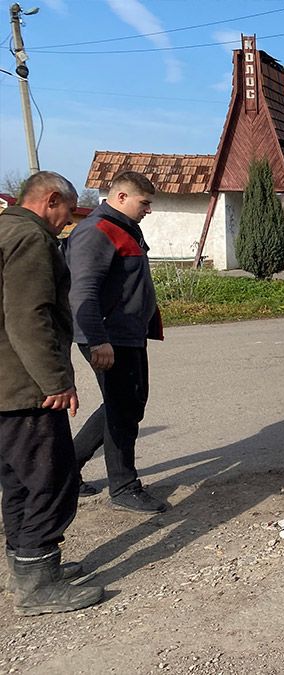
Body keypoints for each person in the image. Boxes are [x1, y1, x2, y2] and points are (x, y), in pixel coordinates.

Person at [0, 171, 106, 615]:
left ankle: (26, 567)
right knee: (53, 478)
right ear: (49, 201)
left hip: (6, 385)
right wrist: (56, 381)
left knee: (18, 480)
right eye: (66, 211)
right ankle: (37, 585)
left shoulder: (5, 229)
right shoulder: (32, 240)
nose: (67, 222)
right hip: (25, 388)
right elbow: (29, 316)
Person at [64, 171, 167, 513]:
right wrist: (97, 340)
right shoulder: (96, 232)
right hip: (107, 337)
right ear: (121, 197)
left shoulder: (124, 228)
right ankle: (123, 486)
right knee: (123, 409)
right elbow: (83, 292)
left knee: (126, 404)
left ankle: (66, 470)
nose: (148, 209)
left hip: (126, 334)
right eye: (144, 202)